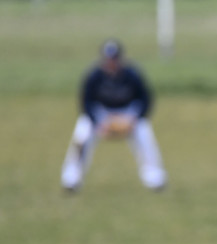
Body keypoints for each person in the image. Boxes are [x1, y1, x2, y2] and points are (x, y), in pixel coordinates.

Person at [60, 39, 167, 192]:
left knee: (144, 132)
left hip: (127, 113)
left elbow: (145, 99)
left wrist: (134, 119)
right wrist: (98, 122)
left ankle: (155, 178)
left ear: (121, 59)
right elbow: (86, 103)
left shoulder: (132, 75)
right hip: (102, 113)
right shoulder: (94, 76)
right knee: (82, 133)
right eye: (108, 59)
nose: (112, 62)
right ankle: (71, 178)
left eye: (114, 58)